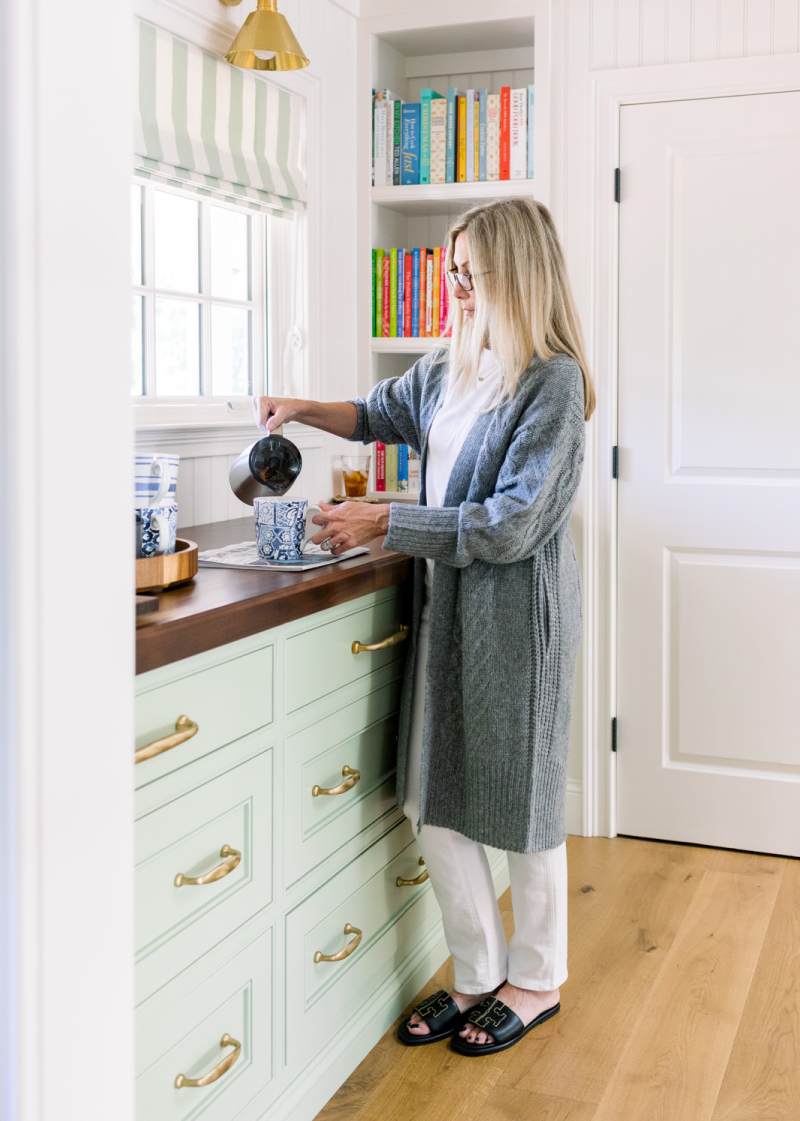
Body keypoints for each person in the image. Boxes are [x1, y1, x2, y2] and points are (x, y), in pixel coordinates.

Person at [253, 196, 595, 1056]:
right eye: (450, 273)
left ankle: (538, 979)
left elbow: (511, 524)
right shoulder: (450, 369)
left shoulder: (551, 384)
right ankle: (477, 974)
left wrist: (385, 522)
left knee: (518, 805)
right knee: (431, 799)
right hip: (448, 606)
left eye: (468, 274)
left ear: (514, 275)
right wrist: (301, 408)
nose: (456, 288)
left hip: (518, 619)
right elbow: (375, 416)